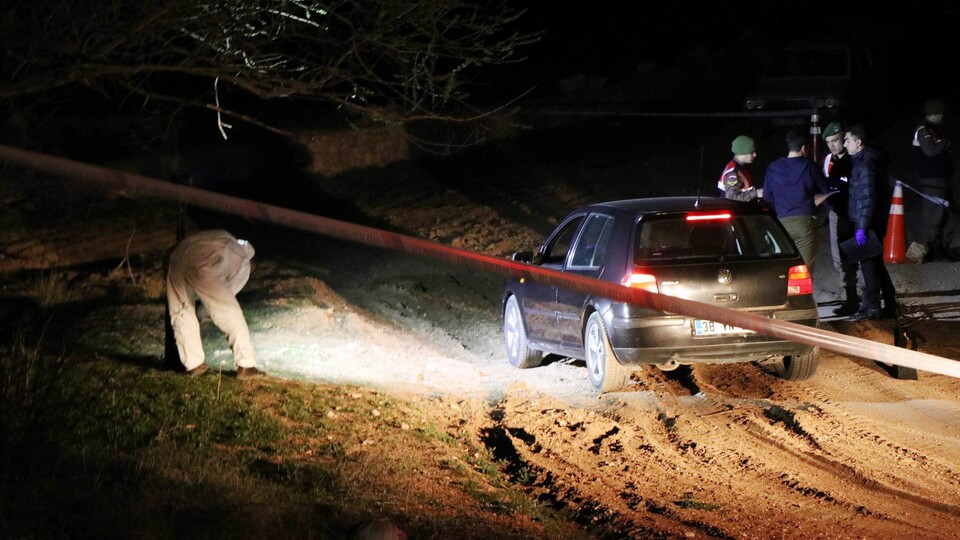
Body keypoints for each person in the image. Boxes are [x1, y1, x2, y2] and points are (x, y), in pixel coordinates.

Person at [166, 229, 266, 378]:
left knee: (181, 311)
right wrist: (203, 313)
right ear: (253, 263)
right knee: (231, 313)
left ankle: (194, 365)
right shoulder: (245, 262)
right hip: (205, 260)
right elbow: (223, 300)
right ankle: (246, 365)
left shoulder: (227, 239)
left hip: (177, 255)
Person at [843, 125, 897, 321]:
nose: (845, 144)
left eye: (847, 140)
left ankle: (872, 307)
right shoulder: (866, 161)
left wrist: (862, 227)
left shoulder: (865, 165)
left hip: (867, 222)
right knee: (876, 262)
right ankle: (890, 302)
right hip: (870, 220)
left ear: (858, 142)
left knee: (868, 264)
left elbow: (868, 198)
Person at [762, 129, 830, 271]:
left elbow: (767, 197)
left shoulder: (773, 168)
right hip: (804, 224)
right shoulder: (810, 167)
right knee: (803, 272)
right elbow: (825, 191)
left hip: (781, 225)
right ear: (804, 148)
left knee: (781, 270)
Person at [821, 121, 860, 315]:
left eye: (835, 140)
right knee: (840, 258)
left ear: (844, 139)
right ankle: (850, 296)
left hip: (856, 214)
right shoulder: (829, 160)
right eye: (828, 142)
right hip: (837, 214)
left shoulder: (855, 158)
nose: (832, 145)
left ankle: (873, 296)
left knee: (864, 256)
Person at [912, 98, 954, 260]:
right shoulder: (924, 130)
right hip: (932, 178)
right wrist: (946, 143)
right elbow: (930, 150)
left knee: (942, 214)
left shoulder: (935, 129)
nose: (942, 116)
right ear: (935, 114)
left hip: (940, 177)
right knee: (933, 215)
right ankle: (932, 248)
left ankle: (940, 246)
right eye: (940, 113)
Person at [718, 135, 762, 201]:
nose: (755, 155)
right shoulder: (733, 172)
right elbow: (732, 197)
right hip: (737, 207)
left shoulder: (741, 168)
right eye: (751, 152)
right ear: (742, 152)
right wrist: (756, 193)